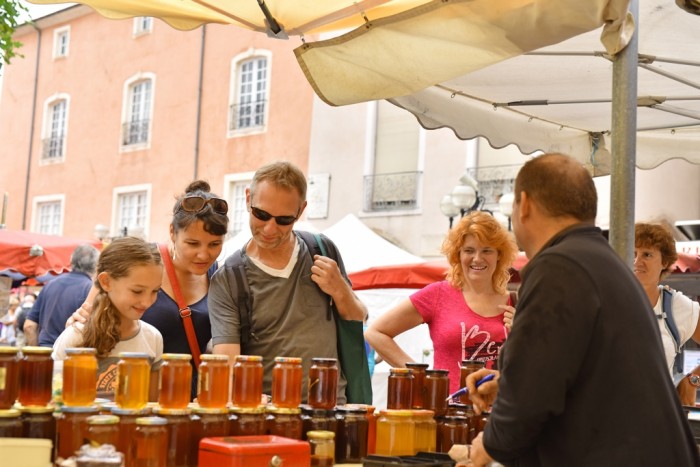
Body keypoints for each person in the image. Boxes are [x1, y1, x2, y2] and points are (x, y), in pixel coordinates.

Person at [465, 153, 700, 466]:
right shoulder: (601, 263)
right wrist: (507, 382)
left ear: (524, 205)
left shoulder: (559, 266)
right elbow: (568, 369)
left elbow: (530, 400)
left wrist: (489, 445)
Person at [208, 161, 367, 403]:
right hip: (271, 418)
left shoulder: (322, 250)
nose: (270, 228)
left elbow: (359, 317)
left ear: (301, 211)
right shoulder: (229, 279)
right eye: (261, 214)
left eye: (284, 220)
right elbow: (227, 366)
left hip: (332, 409)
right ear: (248, 198)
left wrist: (339, 290)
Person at [68, 180, 228, 398]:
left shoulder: (218, 276)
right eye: (192, 244)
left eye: (214, 244)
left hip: (188, 397)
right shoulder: (138, 261)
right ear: (172, 232)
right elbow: (86, 320)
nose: (204, 254)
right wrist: (78, 322)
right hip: (132, 392)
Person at [365, 211, 517, 393]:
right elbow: (376, 333)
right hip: (448, 414)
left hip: (500, 414)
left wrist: (523, 333)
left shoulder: (515, 302)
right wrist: (421, 375)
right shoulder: (438, 294)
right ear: (457, 254)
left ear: (499, 255)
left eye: (487, 250)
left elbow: (534, 364)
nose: (477, 258)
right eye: (469, 250)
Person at [53, 237, 164, 400]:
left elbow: (151, 405)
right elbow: (55, 398)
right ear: (106, 282)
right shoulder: (75, 336)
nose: (147, 302)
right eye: (137, 291)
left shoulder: (153, 338)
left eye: (155, 291)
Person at [634, 222, 700, 405]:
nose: (637, 262)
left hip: (658, 420)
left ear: (664, 262)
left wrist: (692, 380)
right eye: (632, 254)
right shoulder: (606, 299)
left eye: (647, 254)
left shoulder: (675, 306)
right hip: (609, 421)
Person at [24, 244, 100, 347]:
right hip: (71, 356)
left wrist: (37, 354)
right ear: (96, 265)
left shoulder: (49, 285)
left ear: (71, 261)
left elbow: (29, 326)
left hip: (45, 353)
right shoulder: (91, 290)